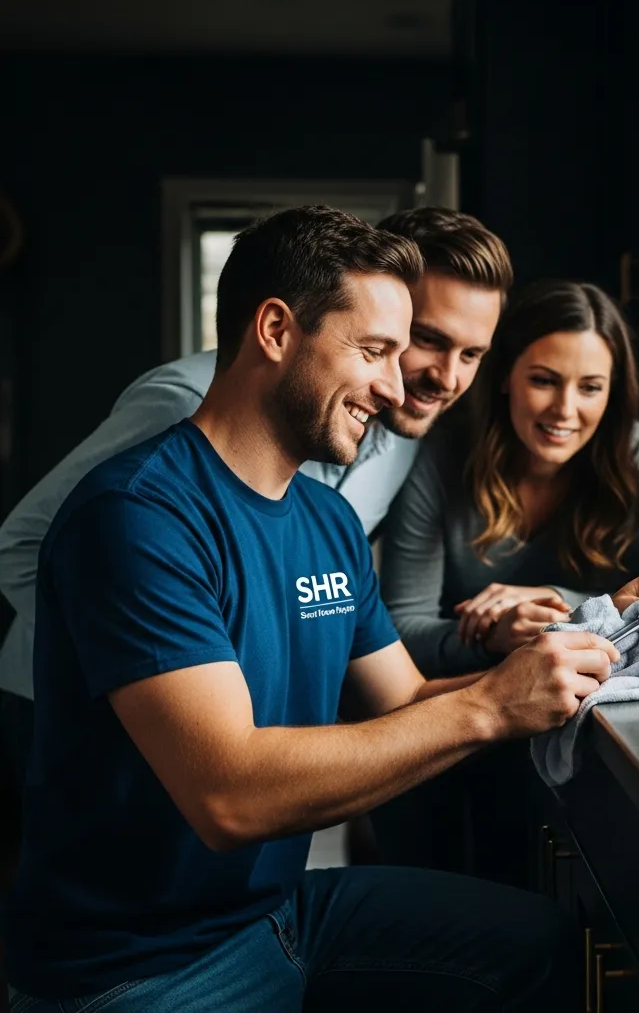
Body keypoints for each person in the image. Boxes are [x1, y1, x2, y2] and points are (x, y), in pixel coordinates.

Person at [2, 206, 639, 1012]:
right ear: (274, 330)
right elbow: (233, 796)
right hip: (141, 966)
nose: (396, 382)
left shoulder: (329, 520)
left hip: (277, 912)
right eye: (373, 352)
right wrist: (487, 707)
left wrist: (589, 634)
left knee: (552, 948)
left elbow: (403, 699)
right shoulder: (136, 515)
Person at [0, 206, 512, 791]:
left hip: (246, 735)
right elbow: (22, 544)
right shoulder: (183, 411)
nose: (444, 378)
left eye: (472, 355)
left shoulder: (395, 429)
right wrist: (163, 657)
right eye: (423, 340)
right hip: (81, 705)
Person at [374, 280, 639, 883]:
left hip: (562, 732)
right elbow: (399, 625)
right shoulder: (444, 451)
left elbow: (634, 608)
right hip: (441, 724)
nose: (565, 410)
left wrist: (557, 607)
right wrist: (493, 637)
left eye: (590, 388)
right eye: (544, 380)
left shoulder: (630, 452)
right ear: (505, 375)